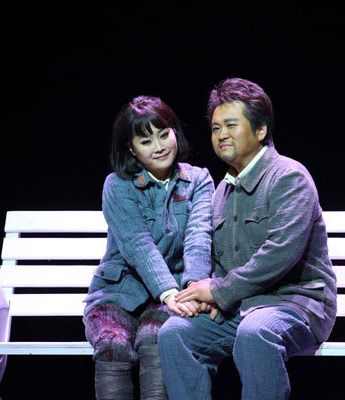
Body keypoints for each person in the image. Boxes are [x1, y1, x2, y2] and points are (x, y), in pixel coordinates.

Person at [158, 78, 338, 400]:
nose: (221, 135)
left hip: (295, 303)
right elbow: (218, 259)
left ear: (260, 130)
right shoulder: (222, 191)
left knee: (255, 333)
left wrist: (219, 291)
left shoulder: (289, 177)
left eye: (231, 125)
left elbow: (280, 254)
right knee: (176, 333)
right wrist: (209, 296)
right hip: (243, 306)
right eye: (215, 128)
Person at [83, 96, 215, 400]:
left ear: (174, 132)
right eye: (145, 141)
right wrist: (167, 292)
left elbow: (199, 237)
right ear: (131, 148)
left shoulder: (198, 180)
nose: (158, 146)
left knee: (158, 338)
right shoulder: (118, 185)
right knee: (113, 344)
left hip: (175, 294)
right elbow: (137, 244)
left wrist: (193, 288)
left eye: (163, 134)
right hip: (118, 294)